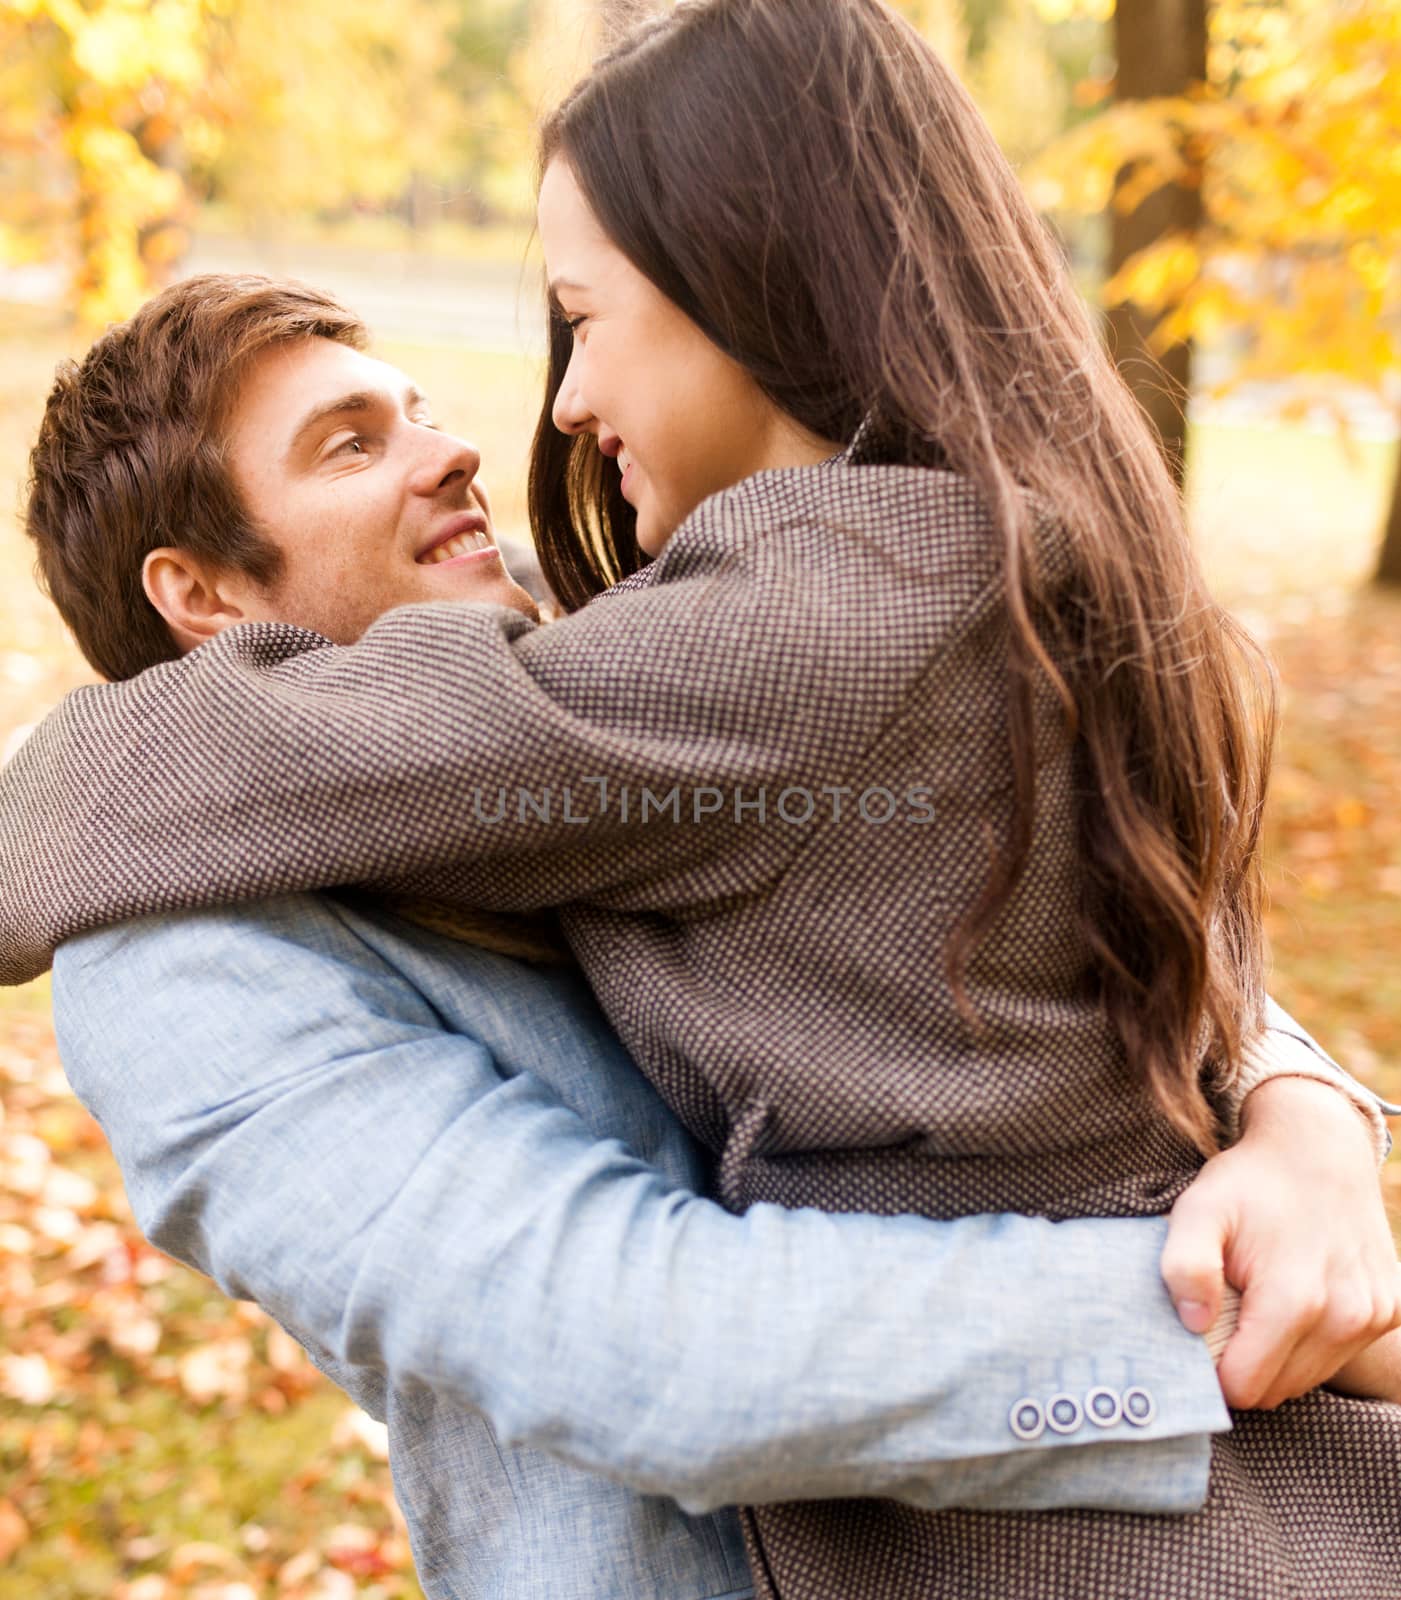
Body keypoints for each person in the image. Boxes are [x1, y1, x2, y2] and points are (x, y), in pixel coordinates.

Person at [1, 0, 1399, 1587]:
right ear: (200, 600)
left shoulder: (708, 639)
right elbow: (641, 1344)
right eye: (348, 444)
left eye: (567, 330)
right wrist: (1232, 1314)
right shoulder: (183, 953)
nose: (485, 445)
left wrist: (1303, 1117)